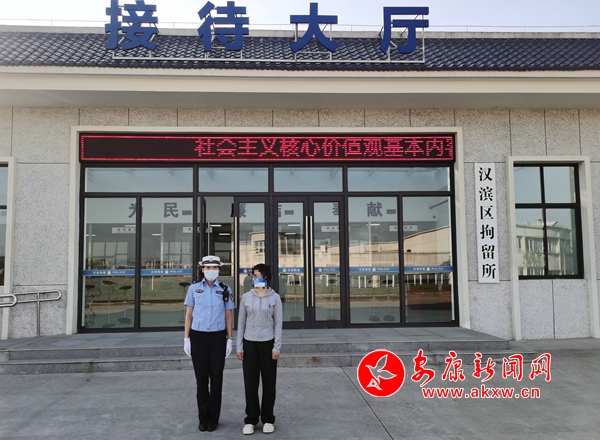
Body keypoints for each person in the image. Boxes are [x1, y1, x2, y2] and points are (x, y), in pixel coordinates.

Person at [183, 255, 234, 432]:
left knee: (217, 380)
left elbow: (229, 316)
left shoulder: (225, 289)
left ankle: (213, 419)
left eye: (214, 268)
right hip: (198, 337)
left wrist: (230, 339)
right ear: (202, 269)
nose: (211, 270)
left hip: (218, 337)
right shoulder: (194, 288)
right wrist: (186, 338)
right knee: (201, 380)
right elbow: (189, 315)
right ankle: (203, 418)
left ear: (219, 269)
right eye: (208, 268)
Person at [236, 263, 283, 435]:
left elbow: (278, 324)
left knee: (269, 383)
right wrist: (239, 346)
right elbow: (241, 323)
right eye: (254, 275)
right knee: (251, 383)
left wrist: (277, 347)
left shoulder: (274, 298)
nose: (255, 278)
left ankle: (268, 419)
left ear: (266, 277)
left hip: (268, 343)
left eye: (259, 275)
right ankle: (251, 419)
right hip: (249, 344)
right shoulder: (246, 297)